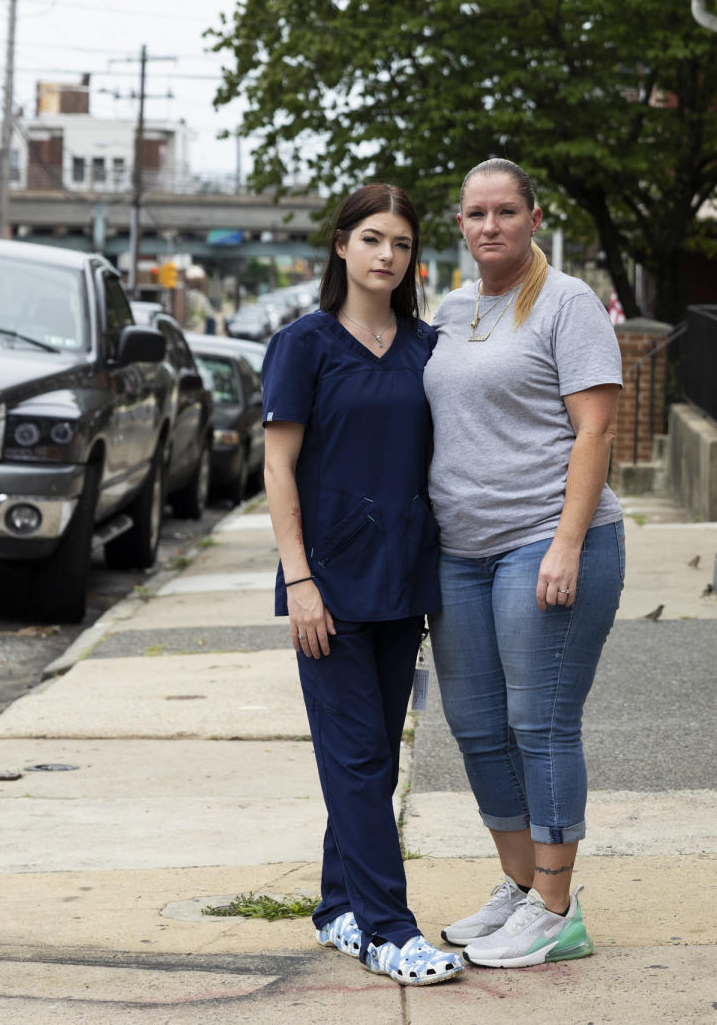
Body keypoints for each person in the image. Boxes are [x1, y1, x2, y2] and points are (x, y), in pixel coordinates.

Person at [423, 157, 625, 969]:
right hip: (459, 550)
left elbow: (597, 432)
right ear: (461, 224)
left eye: (505, 211)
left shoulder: (568, 303)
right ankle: (519, 888)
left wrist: (567, 544)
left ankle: (556, 906)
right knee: (475, 726)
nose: (490, 226)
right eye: (475, 213)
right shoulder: (453, 306)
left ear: (534, 218)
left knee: (537, 723)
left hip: (543, 539)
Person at [261, 183, 464, 987]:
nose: (388, 255)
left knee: (374, 760)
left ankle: (339, 907)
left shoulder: (428, 347)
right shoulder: (303, 345)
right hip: (330, 583)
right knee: (352, 756)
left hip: (405, 576)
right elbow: (278, 467)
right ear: (341, 244)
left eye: (403, 244)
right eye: (373, 238)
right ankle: (389, 929)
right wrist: (299, 578)